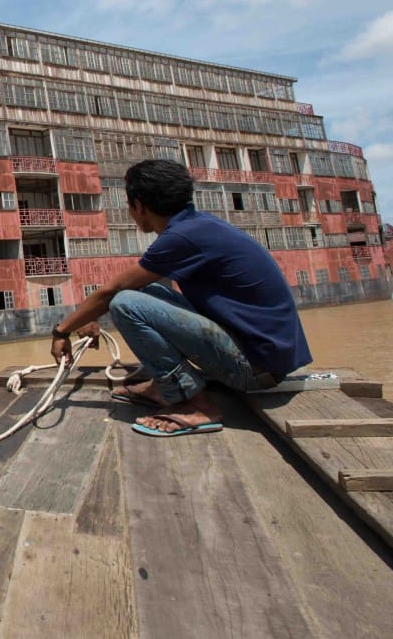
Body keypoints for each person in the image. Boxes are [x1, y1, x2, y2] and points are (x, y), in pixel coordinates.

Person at [49, 158, 312, 437]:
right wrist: (89, 316)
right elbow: (128, 285)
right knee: (138, 292)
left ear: (139, 205)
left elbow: (111, 292)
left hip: (256, 370)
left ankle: (195, 404)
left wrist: (61, 331)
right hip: (264, 359)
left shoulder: (182, 237)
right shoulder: (197, 226)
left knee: (125, 304)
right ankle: (161, 386)